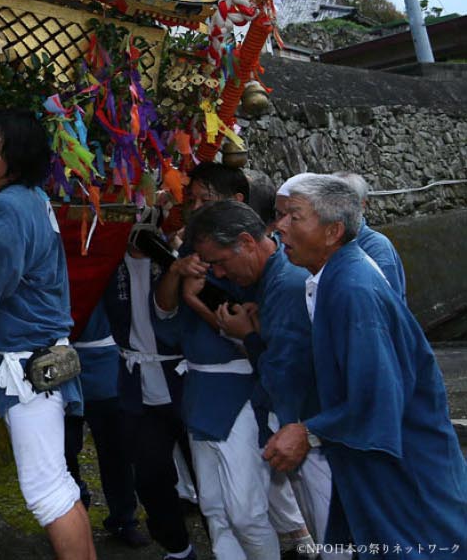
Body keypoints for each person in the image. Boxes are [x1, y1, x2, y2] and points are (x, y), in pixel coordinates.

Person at [265, 175, 467, 549]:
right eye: (280, 216)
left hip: (404, 460)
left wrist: (308, 430)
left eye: (294, 216)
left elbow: (377, 395)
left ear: (333, 231)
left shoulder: (353, 289)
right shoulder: (333, 276)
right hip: (376, 455)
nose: (279, 226)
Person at [0, 110, 93, 560]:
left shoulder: (9, 212)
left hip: (27, 365)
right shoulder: (32, 199)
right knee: (59, 485)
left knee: (45, 491)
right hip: (40, 355)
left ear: (12, 163)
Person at [196, 198, 331, 547]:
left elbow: (286, 374)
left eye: (220, 263)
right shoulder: (273, 278)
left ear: (246, 242)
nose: (220, 275)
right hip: (306, 428)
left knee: (333, 537)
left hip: (312, 431)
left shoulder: (287, 285)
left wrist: (249, 337)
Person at [155, 228, 277, 559]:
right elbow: (165, 315)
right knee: (213, 506)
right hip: (199, 390)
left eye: (203, 198)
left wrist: (195, 299)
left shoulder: (254, 274)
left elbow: (247, 337)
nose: (196, 206)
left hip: (240, 395)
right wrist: (178, 274)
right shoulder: (193, 256)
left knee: (246, 512)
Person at [100, 226, 195, 558]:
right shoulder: (106, 263)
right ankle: (178, 548)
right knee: (150, 474)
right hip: (135, 382)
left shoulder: (180, 258)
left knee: (209, 471)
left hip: (183, 378)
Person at [65, 303, 148, 547]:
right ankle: (72, 512)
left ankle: (124, 518)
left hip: (107, 363)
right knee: (64, 449)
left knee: (116, 449)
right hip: (61, 363)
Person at [331, 171, 406, 300]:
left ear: (362, 204)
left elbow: (387, 301)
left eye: (344, 203)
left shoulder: (377, 247)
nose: (337, 210)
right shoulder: (329, 241)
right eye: (332, 203)